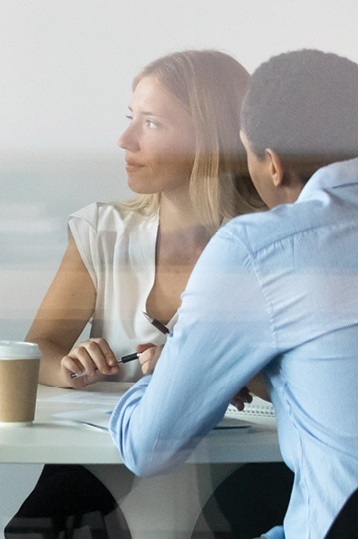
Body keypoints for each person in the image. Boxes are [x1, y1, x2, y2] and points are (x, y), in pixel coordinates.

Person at [82, 50, 358, 539]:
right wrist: (275, 379)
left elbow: (151, 447)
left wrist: (161, 373)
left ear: (271, 162)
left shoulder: (257, 248)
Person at [25, 50, 264, 389]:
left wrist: (204, 369)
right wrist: (69, 369)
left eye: (151, 123)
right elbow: (35, 351)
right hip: (111, 439)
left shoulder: (276, 242)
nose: (125, 140)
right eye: (131, 118)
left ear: (212, 139)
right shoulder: (102, 232)